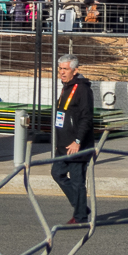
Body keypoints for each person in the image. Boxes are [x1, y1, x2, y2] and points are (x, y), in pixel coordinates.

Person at [51, 54, 95, 225]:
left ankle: (81, 217)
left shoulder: (82, 89)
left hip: (77, 145)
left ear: (75, 71)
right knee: (57, 173)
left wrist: (77, 141)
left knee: (77, 181)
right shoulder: (66, 87)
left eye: (65, 69)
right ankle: (80, 207)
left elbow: (86, 118)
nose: (61, 72)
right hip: (63, 144)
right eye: (60, 69)